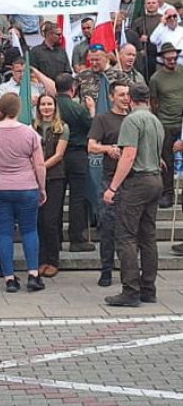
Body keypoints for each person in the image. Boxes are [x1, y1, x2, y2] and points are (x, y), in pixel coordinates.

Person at [0, 94, 47, 293]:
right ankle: (33, 274)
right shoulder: (29, 133)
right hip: (26, 187)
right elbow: (39, 165)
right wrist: (41, 188)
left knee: (4, 232)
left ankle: (9, 278)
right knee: (30, 230)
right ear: (17, 109)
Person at [102, 83, 164, 307]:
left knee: (126, 236)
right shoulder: (155, 120)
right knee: (148, 236)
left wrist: (112, 187)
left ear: (131, 99)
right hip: (155, 178)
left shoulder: (131, 120)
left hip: (137, 181)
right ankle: (149, 288)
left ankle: (130, 291)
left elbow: (129, 156)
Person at [88, 80, 130, 287]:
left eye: (127, 94)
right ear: (112, 97)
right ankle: (106, 269)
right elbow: (91, 146)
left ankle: (128, 268)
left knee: (130, 227)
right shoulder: (103, 119)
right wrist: (107, 149)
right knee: (107, 226)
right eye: (121, 94)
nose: (125, 98)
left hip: (133, 180)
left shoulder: (135, 118)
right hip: (110, 178)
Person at [55, 73, 96, 252]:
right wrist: (92, 111)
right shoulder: (77, 108)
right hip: (77, 155)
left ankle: (55, 238)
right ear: (72, 88)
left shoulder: (51, 105)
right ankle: (76, 238)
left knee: (55, 198)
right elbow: (92, 128)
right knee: (77, 198)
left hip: (55, 156)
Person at [33, 94, 69, 278]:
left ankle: (53, 260)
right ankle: (41, 260)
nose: (46, 108)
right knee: (38, 221)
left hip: (55, 178)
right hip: (34, 180)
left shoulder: (62, 128)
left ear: (55, 107)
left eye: (49, 104)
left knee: (51, 221)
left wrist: (40, 168)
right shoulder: (32, 127)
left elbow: (59, 154)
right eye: (43, 104)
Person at [149, 42, 183, 208]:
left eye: (174, 58)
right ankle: (167, 194)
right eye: (168, 59)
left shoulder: (182, 71)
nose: (172, 61)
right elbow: (153, 103)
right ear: (162, 59)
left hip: (182, 122)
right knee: (167, 161)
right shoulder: (156, 79)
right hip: (165, 124)